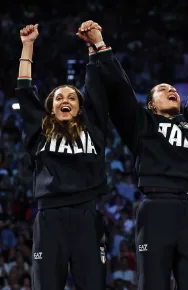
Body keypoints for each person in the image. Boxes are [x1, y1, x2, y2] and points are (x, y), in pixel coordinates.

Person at [78, 21, 188, 290]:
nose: (171, 91)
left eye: (173, 89)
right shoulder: (141, 123)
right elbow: (120, 88)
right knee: (153, 283)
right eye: (163, 90)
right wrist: (99, 45)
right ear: (152, 104)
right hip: (156, 207)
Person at [17, 23, 109, 289]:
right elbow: (24, 91)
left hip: (87, 217)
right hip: (49, 218)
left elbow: (95, 86)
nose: (65, 99)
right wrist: (28, 45)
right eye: (58, 97)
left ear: (80, 108)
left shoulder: (93, 127)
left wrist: (93, 46)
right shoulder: (41, 129)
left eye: (71, 97)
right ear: (51, 107)